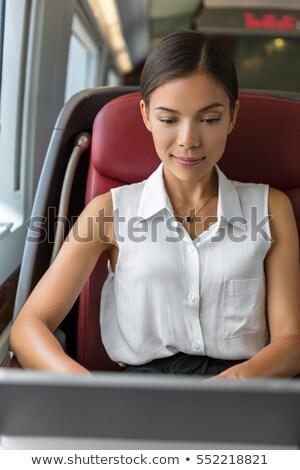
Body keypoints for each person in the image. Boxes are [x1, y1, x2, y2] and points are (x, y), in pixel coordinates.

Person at [10, 31, 300, 378]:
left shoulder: (270, 208)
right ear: (146, 116)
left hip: (244, 388)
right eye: (168, 119)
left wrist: (230, 387)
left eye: (209, 119)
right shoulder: (109, 213)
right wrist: (88, 390)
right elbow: (29, 327)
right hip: (139, 398)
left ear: (233, 116)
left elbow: (291, 342)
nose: (188, 141)